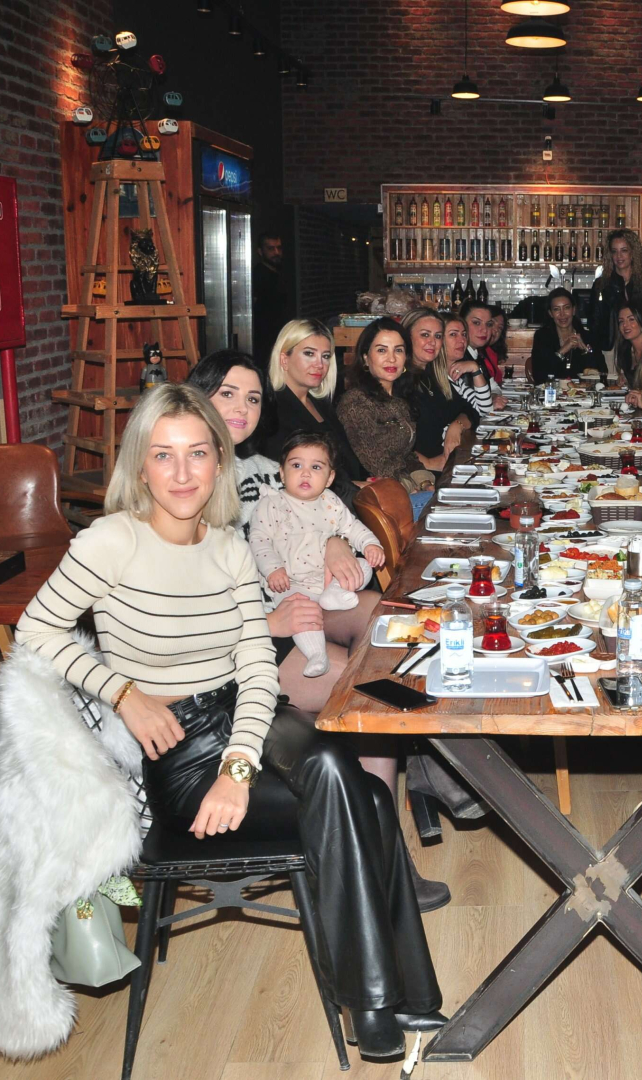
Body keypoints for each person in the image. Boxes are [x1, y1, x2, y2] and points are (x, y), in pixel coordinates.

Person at [16, 383, 443, 1061]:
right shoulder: (111, 542)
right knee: (358, 790)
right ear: (140, 465)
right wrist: (123, 693)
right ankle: (392, 997)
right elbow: (36, 630)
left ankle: (376, 999)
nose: (182, 472)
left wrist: (239, 767)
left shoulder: (227, 547)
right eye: (163, 454)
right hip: (178, 748)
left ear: (220, 462)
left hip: (246, 715)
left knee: (337, 769)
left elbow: (254, 664)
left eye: (197, 453)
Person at [187, 350, 450, 912]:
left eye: (252, 397)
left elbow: (325, 509)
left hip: (293, 604)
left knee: (382, 616)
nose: (241, 408)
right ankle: (391, 854)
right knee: (374, 689)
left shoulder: (263, 469)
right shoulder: (185, 484)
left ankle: (429, 766)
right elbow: (181, 616)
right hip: (243, 647)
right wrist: (267, 623)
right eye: (227, 394)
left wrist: (333, 542)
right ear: (196, 398)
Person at [248, 433, 384, 677]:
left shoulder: (330, 502)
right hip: (292, 583)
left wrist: (370, 545)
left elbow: (353, 527)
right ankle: (316, 654)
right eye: (296, 465)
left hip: (329, 580)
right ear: (282, 473)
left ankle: (336, 594)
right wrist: (272, 569)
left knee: (363, 566)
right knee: (301, 613)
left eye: (316, 467)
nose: (305, 473)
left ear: (330, 478)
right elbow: (259, 541)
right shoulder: (272, 504)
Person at [335, 317, 437, 515]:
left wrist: (425, 481)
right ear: (366, 358)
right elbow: (376, 463)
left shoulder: (399, 398)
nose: (392, 359)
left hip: (406, 490)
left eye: (398, 350)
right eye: (382, 350)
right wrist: (411, 487)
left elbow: (406, 454)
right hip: (378, 501)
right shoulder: (356, 402)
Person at [261, 318, 366, 499]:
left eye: (325, 356)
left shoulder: (320, 403)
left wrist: (369, 480)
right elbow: (289, 474)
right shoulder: (272, 409)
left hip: (349, 498)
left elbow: (346, 459)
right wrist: (354, 487)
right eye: (309, 354)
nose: (319, 365)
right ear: (284, 359)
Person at [402, 307, 475, 464]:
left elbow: (470, 412)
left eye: (438, 336)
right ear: (407, 338)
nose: (432, 342)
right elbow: (392, 444)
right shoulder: (398, 380)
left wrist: (456, 426)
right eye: (425, 335)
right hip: (419, 472)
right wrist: (431, 464)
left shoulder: (433, 375)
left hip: (446, 465)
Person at [588, 228, 642, 380]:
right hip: (610, 349)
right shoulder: (601, 285)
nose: (619, 256)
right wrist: (597, 354)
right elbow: (594, 324)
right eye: (614, 251)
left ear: (633, 253)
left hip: (641, 348)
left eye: (624, 250)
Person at [530, 288, 601, 382]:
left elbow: (602, 373)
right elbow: (539, 377)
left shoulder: (588, 337)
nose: (562, 314)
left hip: (582, 390)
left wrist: (585, 350)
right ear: (550, 313)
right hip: (552, 390)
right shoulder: (542, 337)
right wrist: (562, 351)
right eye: (556, 309)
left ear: (574, 310)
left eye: (566, 308)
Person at [443, 311, 494, 413]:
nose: (462, 340)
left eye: (464, 334)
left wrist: (475, 368)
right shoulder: (434, 378)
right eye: (453, 334)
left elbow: (485, 410)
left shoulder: (455, 377)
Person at [252, 230, 291, 360]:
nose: (276, 253)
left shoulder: (279, 274)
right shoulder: (258, 276)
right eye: (271, 249)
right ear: (260, 251)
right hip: (263, 342)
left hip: (278, 339)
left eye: (279, 248)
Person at [614, 302, 642, 399]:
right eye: (621, 321)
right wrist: (625, 381)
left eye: (631, 319)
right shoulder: (625, 351)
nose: (625, 325)